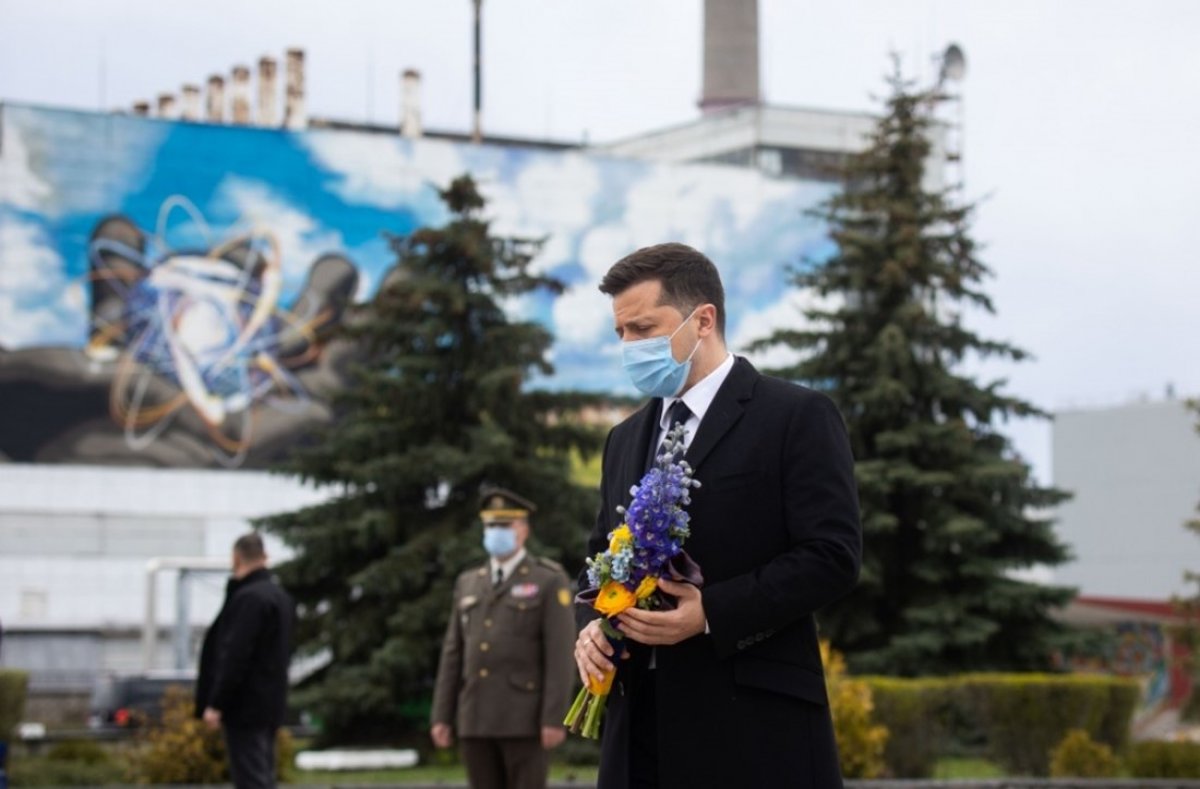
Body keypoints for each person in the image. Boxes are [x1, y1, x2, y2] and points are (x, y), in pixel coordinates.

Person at [573, 243, 862, 789]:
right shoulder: (624, 438)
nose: (630, 346)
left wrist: (710, 613)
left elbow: (832, 557)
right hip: (636, 733)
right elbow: (594, 561)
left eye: (643, 328)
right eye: (622, 334)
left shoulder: (795, 416)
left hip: (752, 730)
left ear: (702, 320)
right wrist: (589, 626)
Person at [431, 488, 576, 789]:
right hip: (475, 717)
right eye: (490, 526)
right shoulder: (469, 582)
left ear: (523, 530)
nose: (496, 533)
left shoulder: (548, 579)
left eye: (504, 526)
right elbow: (453, 653)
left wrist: (553, 718)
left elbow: (560, 655)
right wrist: (441, 716)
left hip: (524, 719)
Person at [195, 533, 295, 789]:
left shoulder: (248, 599)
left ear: (236, 558)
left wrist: (217, 702)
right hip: (271, 702)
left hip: (244, 705)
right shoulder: (279, 597)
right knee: (263, 775)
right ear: (265, 557)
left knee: (250, 779)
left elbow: (235, 655)